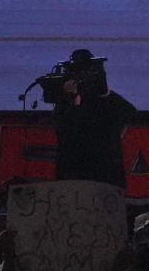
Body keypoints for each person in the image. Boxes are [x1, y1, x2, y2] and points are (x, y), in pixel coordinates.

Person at [46, 49, 139, 188]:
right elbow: (67, 131)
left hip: (105, 177)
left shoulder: (104, 101)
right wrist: (72, 100)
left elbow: (130, 114)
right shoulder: (66, 104)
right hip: (75, 177)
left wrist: (106, 94)